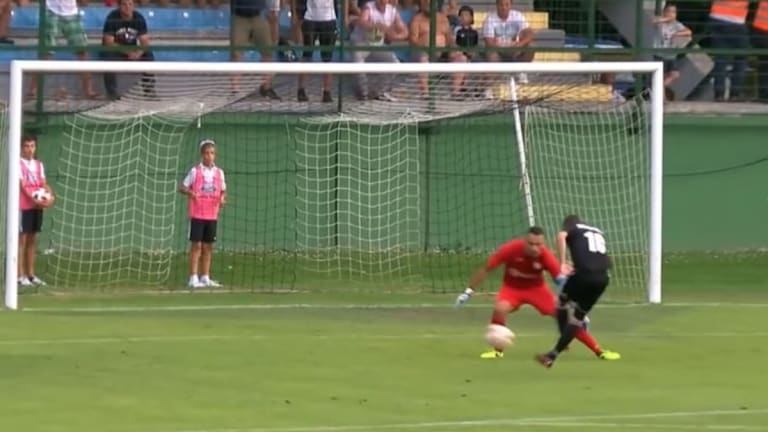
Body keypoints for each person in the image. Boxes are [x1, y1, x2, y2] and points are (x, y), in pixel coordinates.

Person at [456, 226, 620, 360]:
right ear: (525, 241)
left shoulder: (545, 255)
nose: (535, 248)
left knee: (565, 317)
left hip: (537, 290)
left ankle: (599, 351)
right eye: (531, 244)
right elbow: (487, 268)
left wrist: (573, 304)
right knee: (500, 308)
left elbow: (560, 280)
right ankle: (498, 350)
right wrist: (468, 292)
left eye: (538, 244)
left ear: (543, 244)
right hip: (512, 289)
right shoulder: (510, 249)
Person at [535, 215, 620, 368]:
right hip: (602, 279)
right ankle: (552, 355)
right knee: (577, 318)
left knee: (561, 303)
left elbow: (561, 236)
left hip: (583, 275)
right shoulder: (597, 232)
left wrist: (562, 263)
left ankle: (562, 334)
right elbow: (600, 258)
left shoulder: (573, 228)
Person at [178, 139, 227, 289]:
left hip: (212, 214)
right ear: (202, 155)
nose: (209, 156)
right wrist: (191, 193)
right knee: (196, 245)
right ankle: (193, 277)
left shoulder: (219, 173)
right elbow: (182, 187)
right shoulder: (195, 171)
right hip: (198, 213)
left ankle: (205, 276)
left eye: (212, 153)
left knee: (208, 246)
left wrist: (222, 198)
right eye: (207, 153)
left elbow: (223, 190)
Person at [19, 133, 55, 288]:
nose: (30, 149)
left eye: (32, 146)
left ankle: (31, 275)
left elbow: (43, 184)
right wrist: (33, 199)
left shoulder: (39, 165)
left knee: (33, 240)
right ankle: (19, 276)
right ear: (21, 148)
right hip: (24, 206)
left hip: (37, 207)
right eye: (26, 146)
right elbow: (22, 185)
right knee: (22, 240)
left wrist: (50, 195)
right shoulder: (18, 163)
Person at [101, 0, 155, 100]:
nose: (127, 7)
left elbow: (145, 41)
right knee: (108, 56)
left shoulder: (139, 17)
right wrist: (128, 52)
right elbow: (108, 42)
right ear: (119, 5)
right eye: (124, 4)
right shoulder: (112, 17)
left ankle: (149, 92)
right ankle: (111, 93)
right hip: (116, 51)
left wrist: (139, 53)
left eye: (130, 4)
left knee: (148, 55)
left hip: (132, 50)